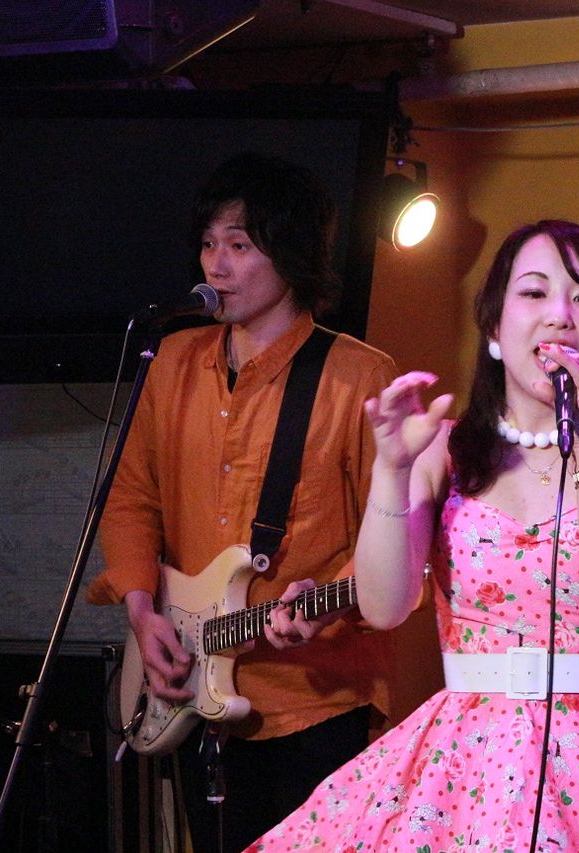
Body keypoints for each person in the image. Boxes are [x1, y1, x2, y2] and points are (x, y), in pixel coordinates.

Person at [245, 220, 579, 852]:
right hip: (467, 757)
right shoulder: (442, 450)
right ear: (494, 329)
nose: (559, 315)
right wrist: (391, 469)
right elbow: (384, 607)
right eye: (534, 292)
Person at [85, 152, 398, 853]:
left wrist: (328, 607)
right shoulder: (170, 364)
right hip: (197, 692)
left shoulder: (359, 378)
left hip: (316, 702)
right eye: (208, 243)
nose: (215, 266)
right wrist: (142, 610)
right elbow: (131, 497)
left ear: (291, 254)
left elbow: (397, 539)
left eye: (239, 245)